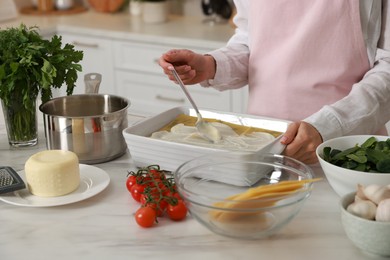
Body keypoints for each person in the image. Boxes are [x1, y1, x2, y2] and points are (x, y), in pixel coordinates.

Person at [159, 0, 390, 164]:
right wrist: (211, 65)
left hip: (350, 152)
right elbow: (252, 40)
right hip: (261, 147)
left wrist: (328, 127)